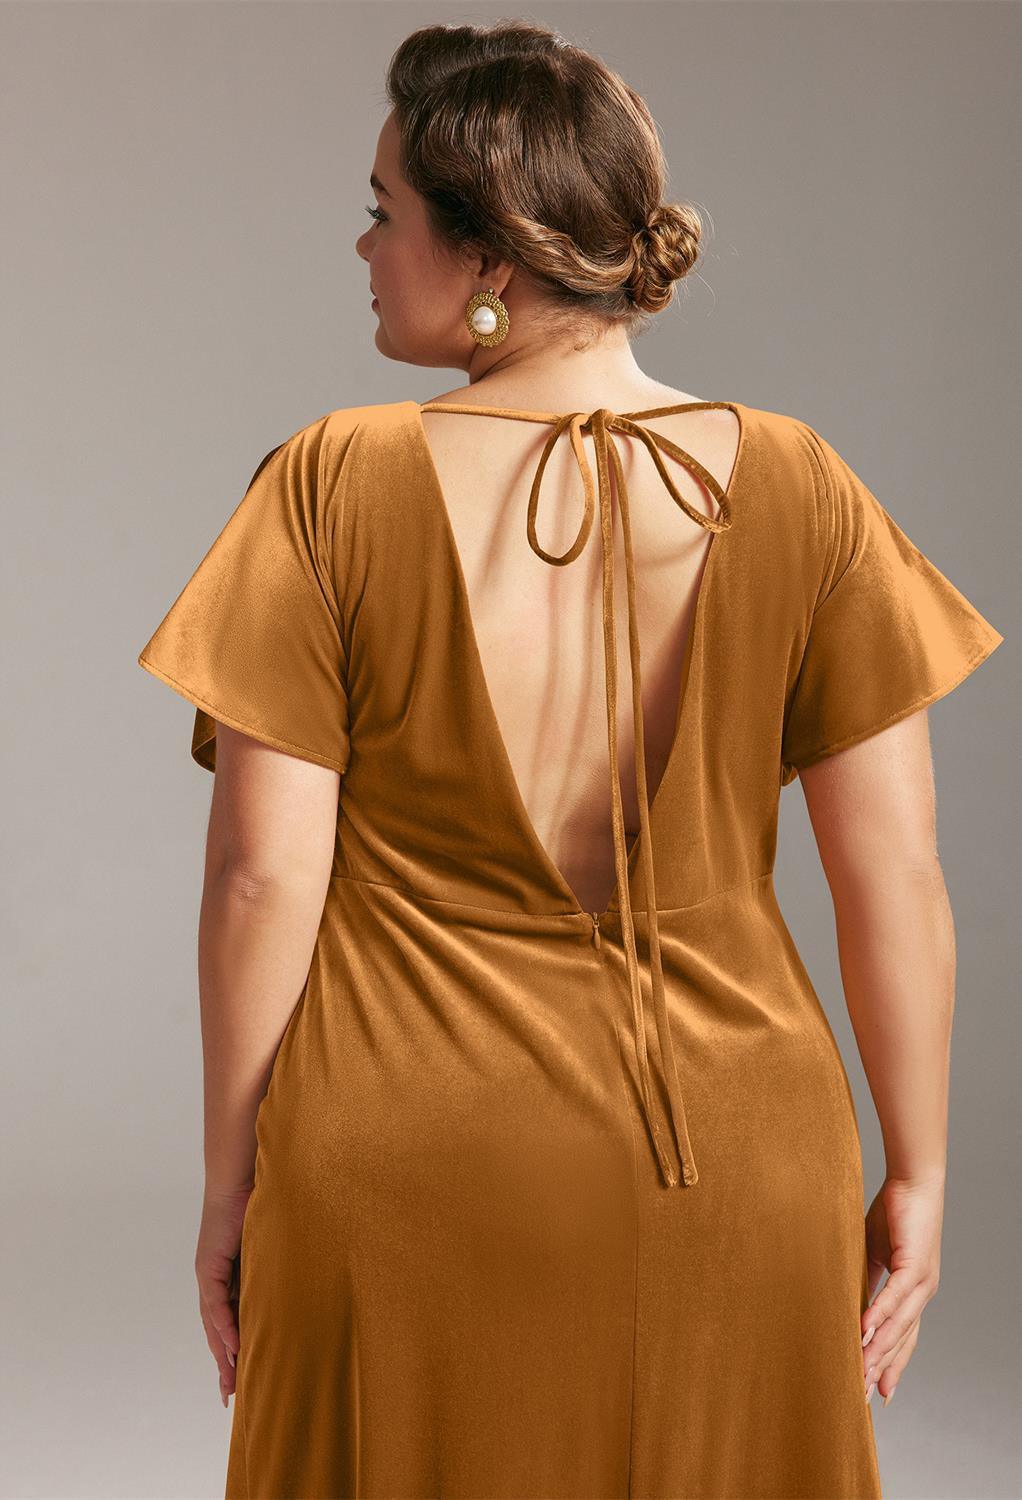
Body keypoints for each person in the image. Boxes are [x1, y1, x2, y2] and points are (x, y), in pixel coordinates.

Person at [137, 19, 1003, 1500]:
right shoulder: (797, 479)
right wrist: (916, 1173)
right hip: (731, 1155)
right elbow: (894, 877)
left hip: (400, 1149)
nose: (358, 248)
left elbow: (262, 875)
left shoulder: (331, 482)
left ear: (489, 257)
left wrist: (229, 1183)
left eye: (380, 211)